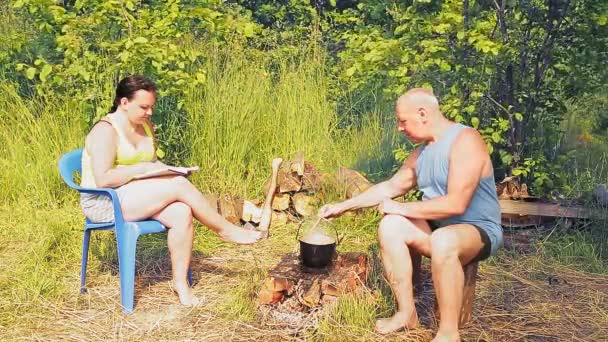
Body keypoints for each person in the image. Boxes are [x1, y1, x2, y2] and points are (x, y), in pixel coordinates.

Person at [319, 88, 503, 342]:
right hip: (440, 231)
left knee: (443, 239)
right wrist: (343, 205)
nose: (399, 128)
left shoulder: (466, 140)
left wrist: (402, 207)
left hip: (477, 231)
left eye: (402, 121)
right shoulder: (423, 153)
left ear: (423, 113)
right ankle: (407, 313)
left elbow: (456, 204)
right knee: (391, 226)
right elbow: (390, 187)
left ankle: (449, 333)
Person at [80, 75, 262, 306]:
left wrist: (167, 170)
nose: (149, 113)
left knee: (181, 211)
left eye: (151, 107)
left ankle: (181, 285)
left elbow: (150, 165)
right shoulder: (105, 130)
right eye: (144, 107)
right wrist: (145, 169)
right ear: (124, 103)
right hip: (105, 202)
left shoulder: (145, 127)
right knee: (178, 185)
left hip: (135, 194)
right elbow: (104, 178)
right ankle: (225, 229)